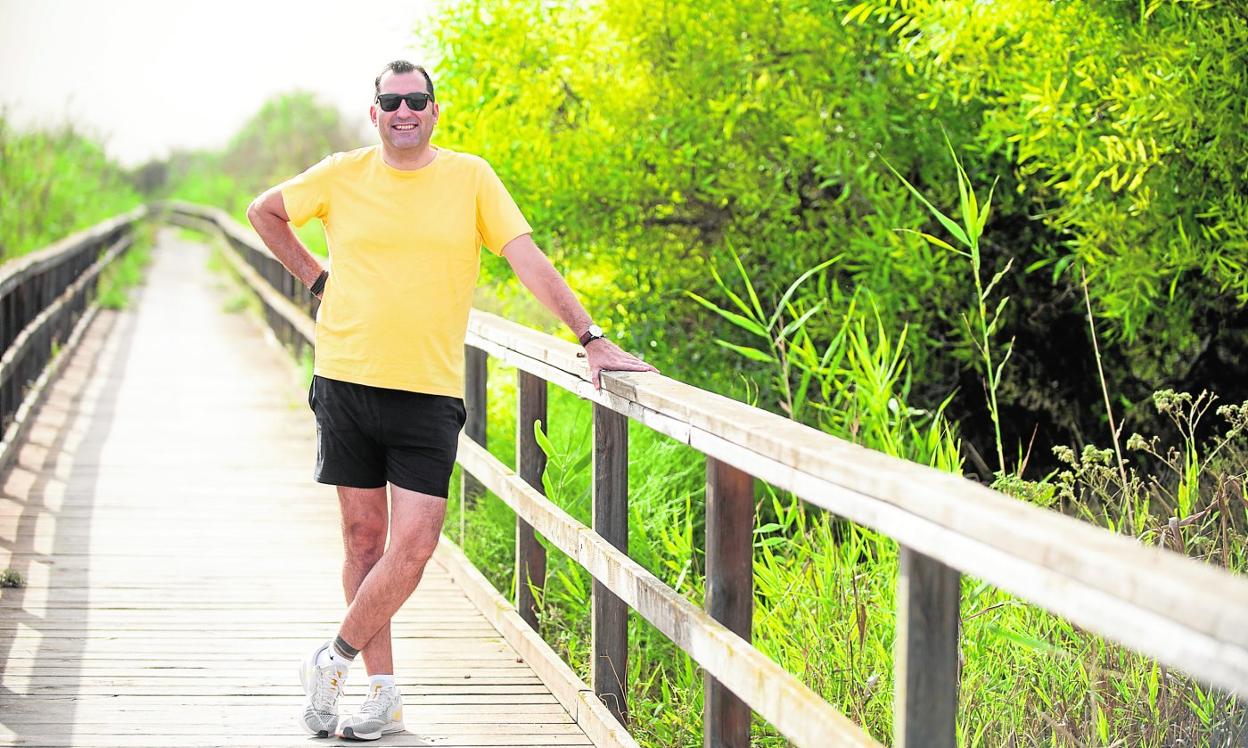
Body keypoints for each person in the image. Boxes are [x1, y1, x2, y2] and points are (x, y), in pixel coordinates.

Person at [246, 60, 658, 741]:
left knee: (415, 544)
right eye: (392, 100)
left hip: (428, 388)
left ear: (435, 111)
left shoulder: (470, 178)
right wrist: (317, 277)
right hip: (347, 376)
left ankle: (331, 660)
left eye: (418, 100)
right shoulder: (342, 172)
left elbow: (527, 259)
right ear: (373, 112)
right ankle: (381, 695)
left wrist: (590, 335)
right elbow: (264, 212)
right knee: (363, 538)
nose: (405, 110)